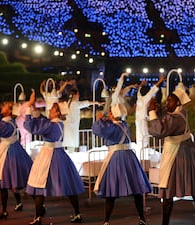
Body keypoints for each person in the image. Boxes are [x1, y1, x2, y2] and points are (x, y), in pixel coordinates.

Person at [147, 84, 195, 225]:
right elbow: (165, 119)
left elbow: (159, 130)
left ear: (178, 102)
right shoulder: (181, 112)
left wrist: (152, 112)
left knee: (169, 191)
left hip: (178, 154)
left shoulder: (176, 118)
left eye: (169, 101)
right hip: (187, 152)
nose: (167, 103)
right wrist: (158, 112)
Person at [92, 88, 152, 225]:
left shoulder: (113, 128)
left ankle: (106, 220)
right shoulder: (124, 125)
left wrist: (99, 119)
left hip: (116, 158)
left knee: (111, 191)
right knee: (136, 190)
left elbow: (98, 130)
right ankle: (142, 218)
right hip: (129, 157)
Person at [23, 91, 84, 225]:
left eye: (52, 109)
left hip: (48, 155)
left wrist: (29, 106)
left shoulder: (51, 125)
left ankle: (38, 217)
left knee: (38, 184)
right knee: (69, 185)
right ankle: (77, 213)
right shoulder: (59, 124)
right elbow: (41, 121)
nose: (49, 110)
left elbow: (30, 126)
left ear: (57, 113)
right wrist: (34, 109)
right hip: (60, 154)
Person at [0, 101, 33, 219]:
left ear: (10, 111)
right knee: (6, 183)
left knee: (5, 182)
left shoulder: (6, 125)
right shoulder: (8, 121)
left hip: (7, 153)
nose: (2, 107)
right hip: (10, 151)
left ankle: (5, 210)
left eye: (5, 106)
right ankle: (5, 209)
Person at [63, 88, 102, 152]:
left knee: (70, 142)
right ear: (75, 95)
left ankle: (70, 153)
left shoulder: (69, 103)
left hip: (70, 125)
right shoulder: (74, 103)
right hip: (71, 126)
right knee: (71, 142)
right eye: (78, 94)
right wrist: (96, 102)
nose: (79, 96)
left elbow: (84, 104)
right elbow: (85, 103)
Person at [135, 75, 165, 149]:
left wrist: (141, 85)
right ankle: (143, 149)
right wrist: (160, 81)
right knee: (144, 135)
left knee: (139, 135)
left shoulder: (139, 98)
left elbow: (139, 91)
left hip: (138, 119)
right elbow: (153, 90)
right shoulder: (145, 98)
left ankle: (141, 148)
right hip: (143, 119)